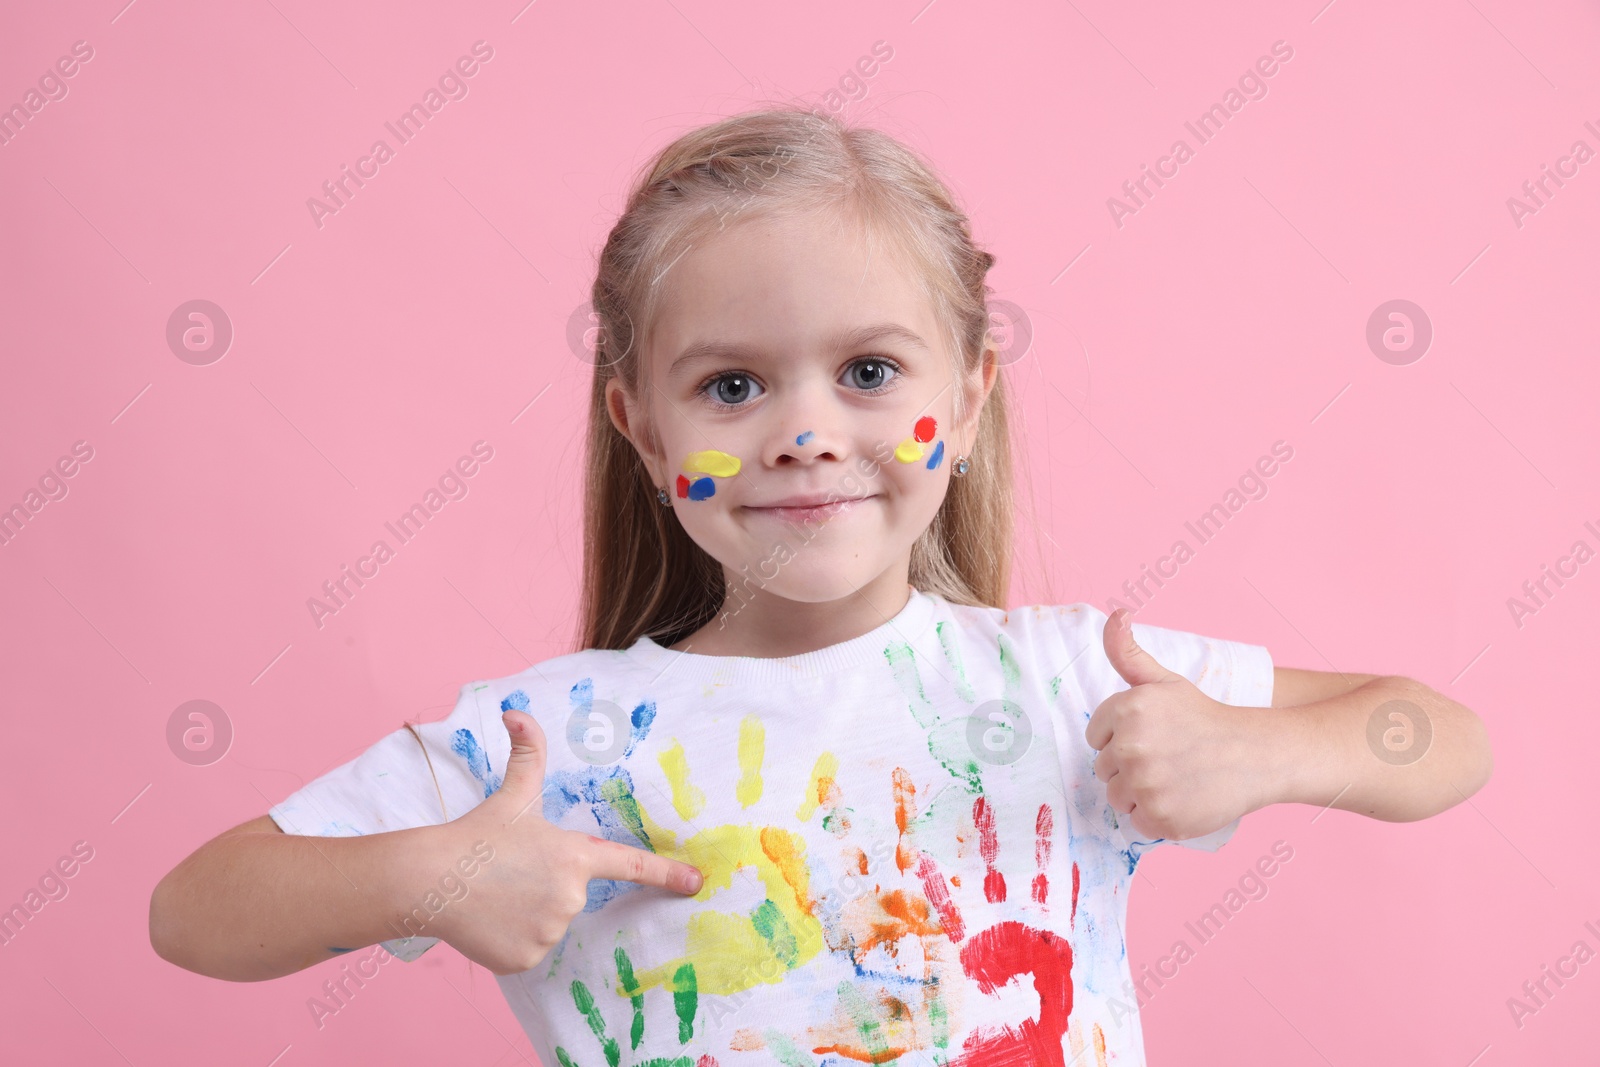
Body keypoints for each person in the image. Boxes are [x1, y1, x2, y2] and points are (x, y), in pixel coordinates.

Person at [149, 107, 1493, 1066]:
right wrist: (434, 874)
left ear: (966, 401)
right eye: (732, 386)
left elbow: (1437, 735)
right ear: (642, 426)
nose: (802, 432)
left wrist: (1260, 750)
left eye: (868, 373)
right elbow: (196, 910)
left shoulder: (1071, 682)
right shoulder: (545, 744)